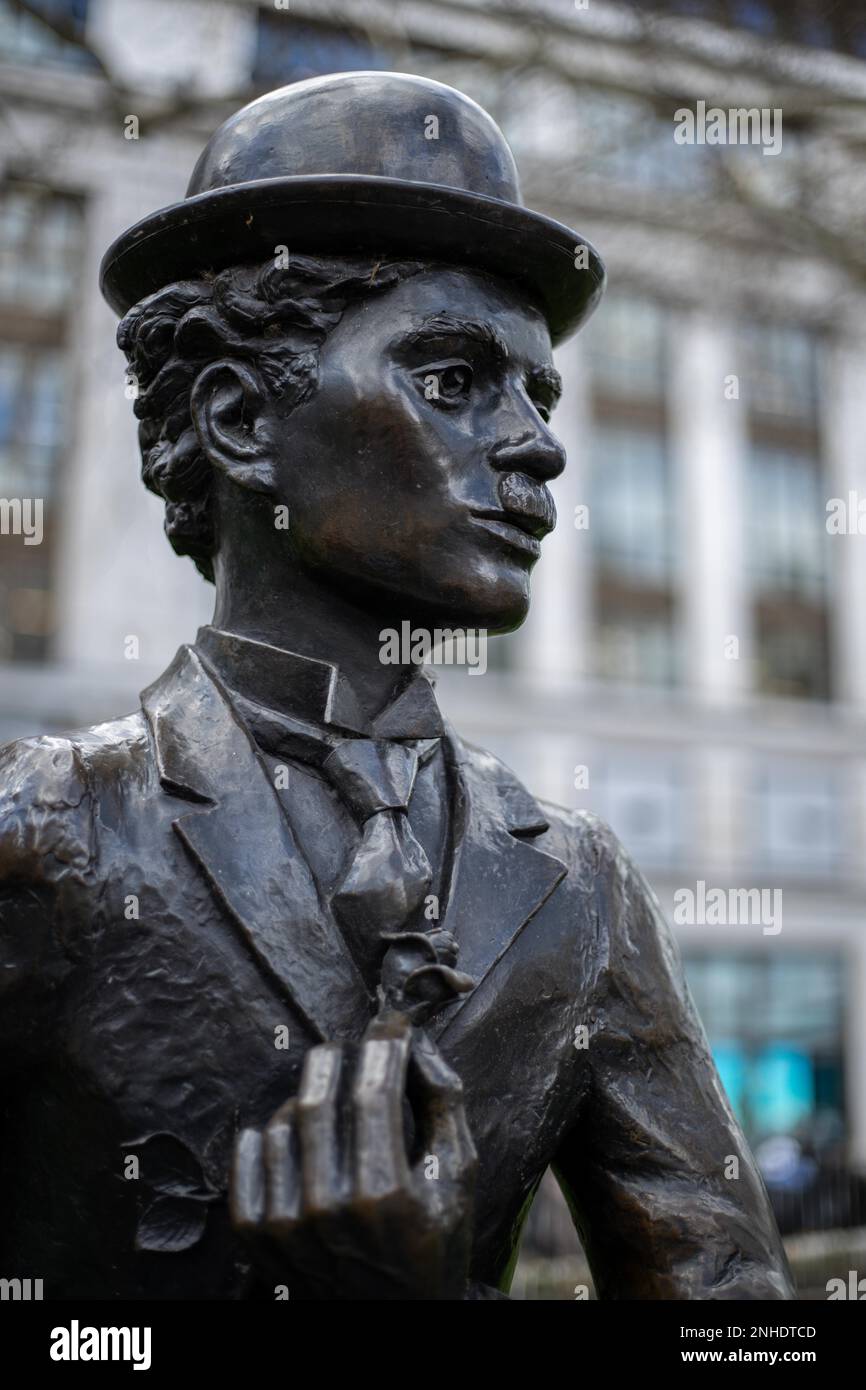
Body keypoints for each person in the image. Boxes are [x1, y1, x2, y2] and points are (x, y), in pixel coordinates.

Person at [0, 72, 794, 1300]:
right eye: (452, 381)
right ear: (239, 419)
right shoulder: (51, 830)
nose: (538, 444)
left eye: (537, 393)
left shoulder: (580, 885)